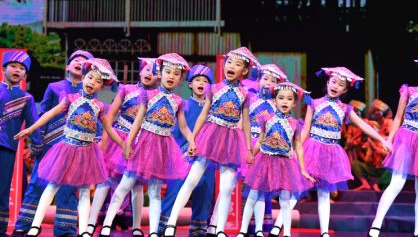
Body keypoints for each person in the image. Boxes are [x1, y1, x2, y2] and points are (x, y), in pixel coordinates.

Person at [15, 58, 123, 237]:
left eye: (98, 82)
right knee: (52, 185)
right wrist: (31, 128)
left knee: (83, 191)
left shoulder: (99, 107)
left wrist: (123, 145)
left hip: (87, 152)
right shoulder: (70, 99)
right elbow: (49, 114)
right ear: (83, 78)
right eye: (90, 78)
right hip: (66, 148)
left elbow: (109, 130)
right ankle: (35, 225)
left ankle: (83, 231)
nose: (92, 83)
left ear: (101, 87)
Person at [163, 47, 259, 237]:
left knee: (225, 189)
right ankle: (170, 224)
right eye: (229, 62)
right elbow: (203, 115)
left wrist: (248, 148)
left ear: (245, 71)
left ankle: (220, 229)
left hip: (231, 140)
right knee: (190, 181)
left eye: (237, 64)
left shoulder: (245, 94)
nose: (231, 66)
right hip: (210, 135)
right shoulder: (214, 88)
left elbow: (246, 122)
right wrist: (193, 140)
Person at [99, 53, 193, 237]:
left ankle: (153, 232)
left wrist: (192, 141)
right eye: (168, 72)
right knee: (125, 184)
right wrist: (127, 144)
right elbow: (137, 122)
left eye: (176, 74)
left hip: (163, 148)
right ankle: (106, 226)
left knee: (155, 191)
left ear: (180, 78)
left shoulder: (178, 102)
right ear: (161, 73)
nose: (171, 76)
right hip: (143, 144)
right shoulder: (148, 95)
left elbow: (183, 127)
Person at [298, 67, 392, 237]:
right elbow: (305, 129)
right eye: (333, 82)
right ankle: (280, 229)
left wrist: (382, 139)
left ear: (345, 90)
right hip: (312, 149)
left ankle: (324, 232)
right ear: (327, 83)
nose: (335, 85)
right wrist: (296, 150)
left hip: (330, 153)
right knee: (296, 190)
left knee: (324, 193)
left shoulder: (345, 109)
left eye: (340, 84)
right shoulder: (315, 103)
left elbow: (363, 125)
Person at [13, 50, 94, 237]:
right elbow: (44, 114)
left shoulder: (90, 94)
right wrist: (38, 142)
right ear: (67, 66)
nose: (79, 62)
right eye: (75, 60)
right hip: (50, 143)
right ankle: (25, 225)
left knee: (69, 186)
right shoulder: (54, 87)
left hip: (76, 147)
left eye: (84, 61)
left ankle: (65, 229)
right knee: (38, 183)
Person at [367, 56, 418, 237]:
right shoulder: (409, 91)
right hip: (407, 137)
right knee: (397, 182)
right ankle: (376, 225)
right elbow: (397, 118)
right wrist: (389, 140)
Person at [87, 57, 159, 236]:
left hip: (141, 143)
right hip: (118, 139)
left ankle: (136, 227)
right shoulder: (126, 90)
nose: (149, 73)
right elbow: (109, 117)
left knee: (137, 185)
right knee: (106, 181)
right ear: (140, 72)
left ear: (159, 76)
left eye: (153, 71)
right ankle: (90, 224)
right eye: (146, 69)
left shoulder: (159, 96)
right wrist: (104, 142)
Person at [238, 82, 315, 237]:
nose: (284, 101)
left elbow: (298, 148)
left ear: (294, 103)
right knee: (253, 195)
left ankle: (286, 233)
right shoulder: (266, 119)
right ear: (274, 101)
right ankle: (242, 231)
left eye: (289, 99)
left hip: (284, 163)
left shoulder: (295, 124)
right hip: (264, 161)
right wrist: (251, 154)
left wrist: (303, 169)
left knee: (285, 200)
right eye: (281, 98)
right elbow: (260, 140)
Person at [158, 64, 216, 236]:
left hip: (205, 157)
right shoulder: (182, 105)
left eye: (205, 81)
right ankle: (165, 225)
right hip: (182, 156)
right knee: (174, 191)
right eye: (197, 80)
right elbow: (175, 132)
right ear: (190, 84)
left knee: (205, 192)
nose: (201, 83)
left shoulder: (212, 109)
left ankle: (198, 227)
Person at [0, 51, 42, 237]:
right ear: (4, 68)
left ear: (25, 75)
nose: (17, 70)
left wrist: (37, 146)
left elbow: (34, 124)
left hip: (7, 149)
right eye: (13, 66)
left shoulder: (27, 98)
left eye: (22, 68)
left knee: (2, 190)